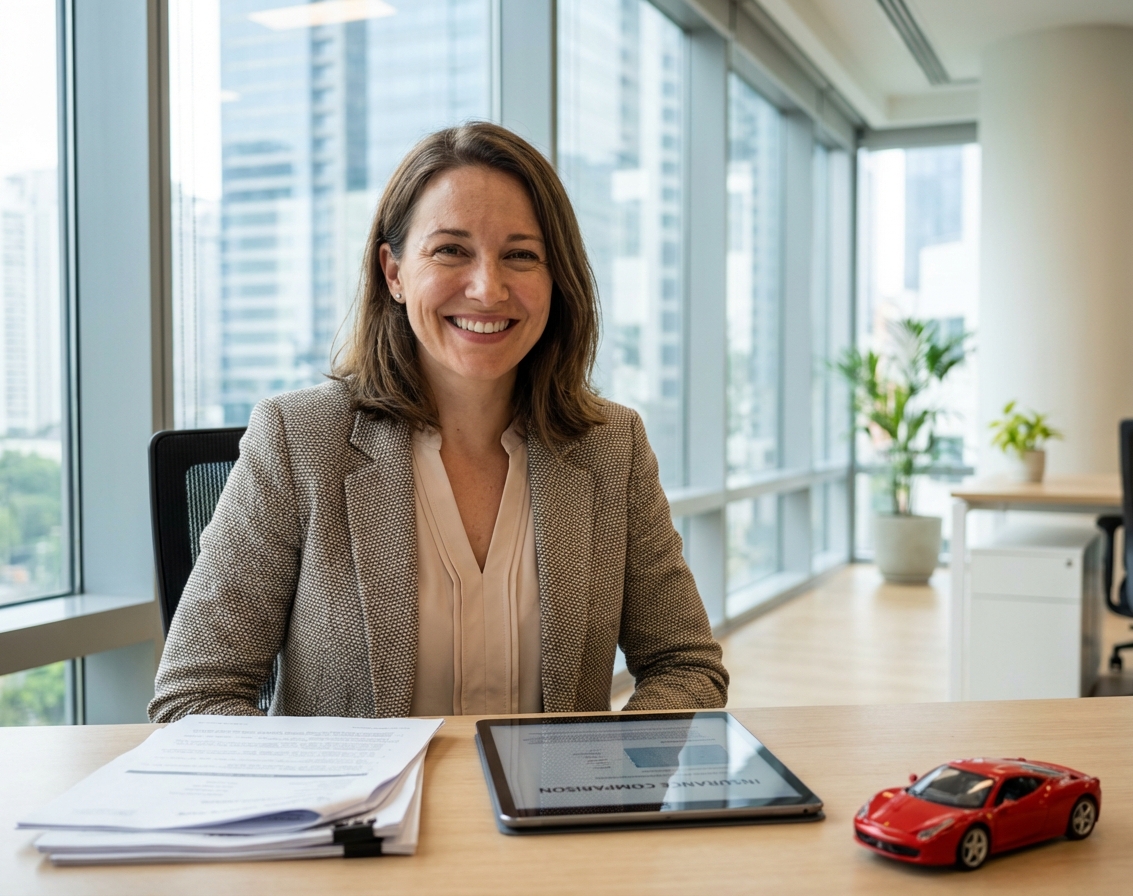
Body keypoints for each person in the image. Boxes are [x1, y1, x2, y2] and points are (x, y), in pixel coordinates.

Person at [149, 122, 728, 721]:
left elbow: (684, 664)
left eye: (521, 255)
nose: (487, 287)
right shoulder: (299, 439)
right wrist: (323, 801)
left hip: (546, 812)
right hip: (359, 814)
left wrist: (606, 774)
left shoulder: (613, 447)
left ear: (557, 280)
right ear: (394, 273)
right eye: (451, 250)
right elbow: (196, 693)